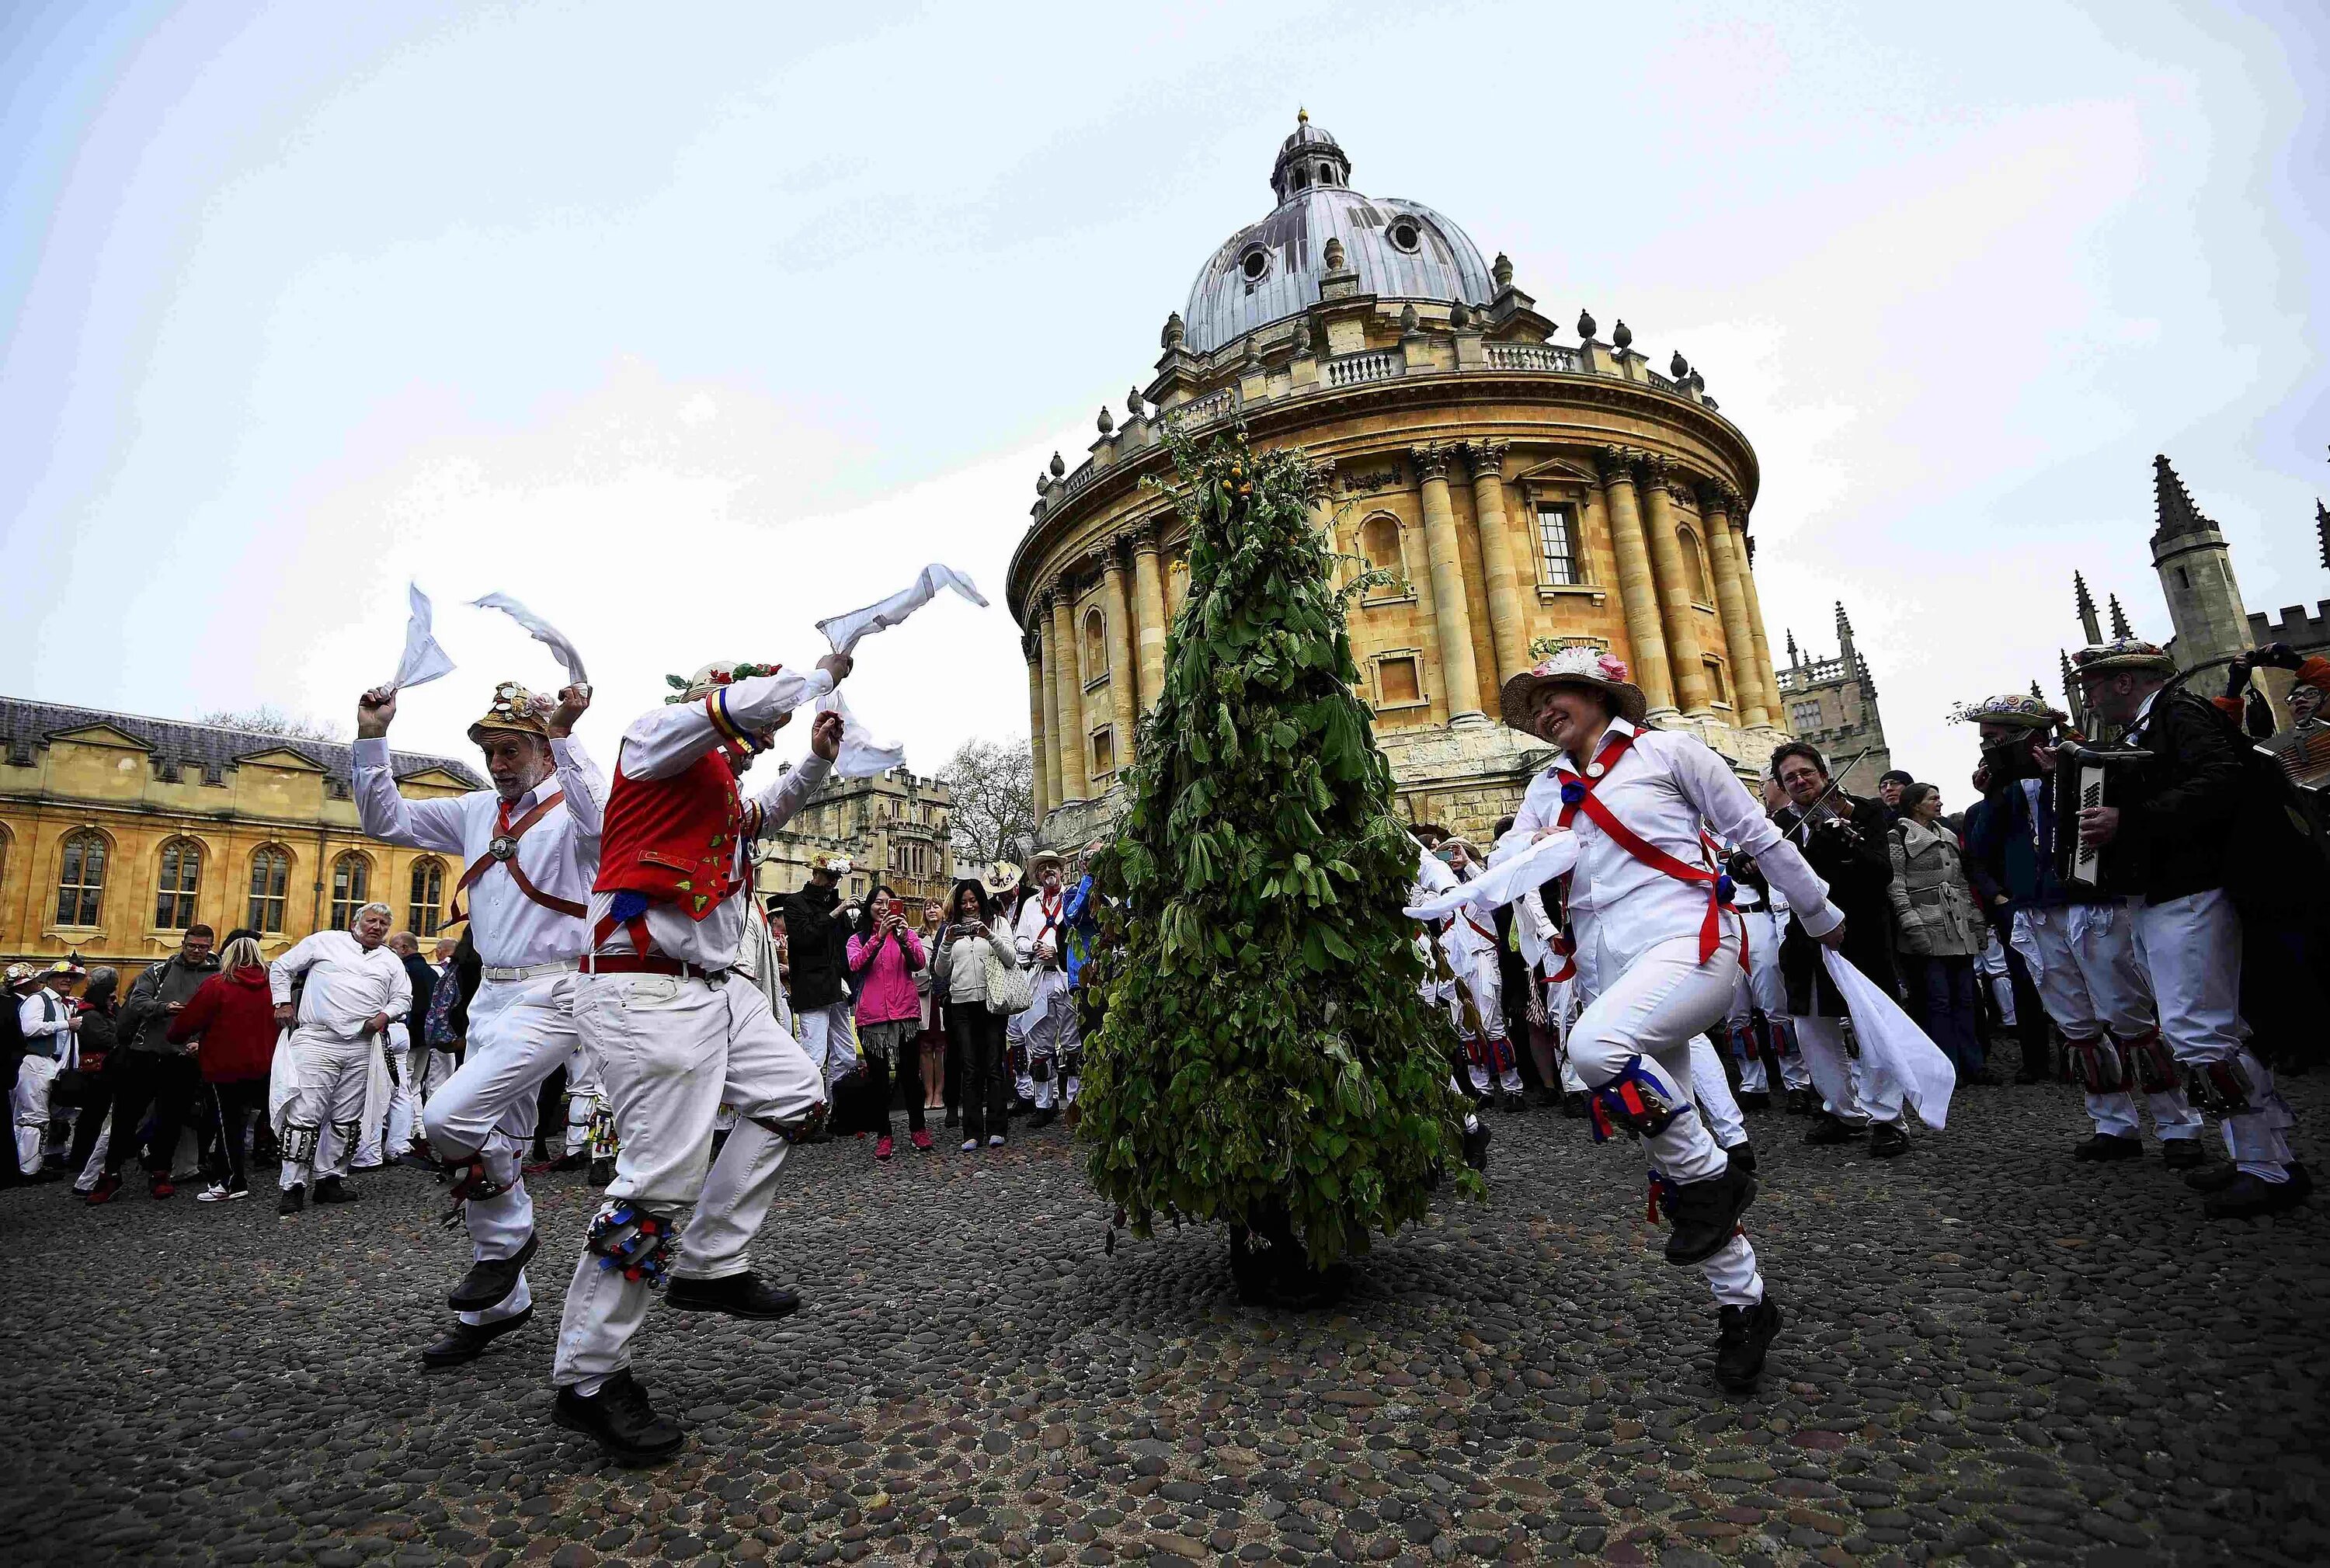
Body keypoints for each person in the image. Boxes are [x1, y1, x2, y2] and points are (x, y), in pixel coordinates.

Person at [1491, 647, 1845, 1393]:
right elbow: (1510, 866)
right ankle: (1744, 1303)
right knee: (1671, 1144)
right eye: (1538, 701)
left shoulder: (1670, 751)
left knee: (1594, 1048)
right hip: (1609, 968)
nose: (1547, 709)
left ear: (1600, 695)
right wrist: (1468, 884)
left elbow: (1758, 833)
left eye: (1559, 694)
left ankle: (1716, 1181)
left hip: (1692, 944)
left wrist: (1817, 911)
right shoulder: (1544, 787)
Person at [551, 655, 847, 1465]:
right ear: (716, 707)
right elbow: (743, 707)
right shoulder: (652, 741)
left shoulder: (718, 795)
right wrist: (817, 674)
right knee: (656, 1183)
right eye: (750, 722)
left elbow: (766, 815)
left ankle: (713, 1261)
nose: (761, 738)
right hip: (645, 988)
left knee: (796, 1094)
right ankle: (588, 1374)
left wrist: (817, 759)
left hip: (715, 989)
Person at [360, 677, 604, 1363]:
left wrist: (565, 733)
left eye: (511, 749)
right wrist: (372, 736)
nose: (498, 763)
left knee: (446, 1119)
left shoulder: (573, 808)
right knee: (496, 1138)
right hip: (491, 996)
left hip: (556, 991)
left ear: (542, 751)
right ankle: (503, 1303)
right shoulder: (474, 810)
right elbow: (386, 822)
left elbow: (604, 828)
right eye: (490, 750)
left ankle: (506, 1244)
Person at [2070, 639, 2307, 1217]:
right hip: (2160, 892)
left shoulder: (2179, 713)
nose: (2089, 696)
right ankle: (2261, 1150)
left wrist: (2131, 820)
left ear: (2125, 681)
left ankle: (2266, 1167)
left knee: (2200, 1028)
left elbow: (2224, 780)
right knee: (2202, 1026)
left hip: (2191, 890)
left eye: (2095, 685)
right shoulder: (2145, 729)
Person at [1961, 693, 2200, 1160]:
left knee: (2127, 1013)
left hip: (2092, 905)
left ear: (2022, 736)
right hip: (2036, 910)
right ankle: (2113, 1124)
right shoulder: (2004, 789)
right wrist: (1992, 792)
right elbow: (1982, 846)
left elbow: (2107, 823)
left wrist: (2058, 777)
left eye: (1993, 738)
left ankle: (2178, 1126)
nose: (1986, 747)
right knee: (2074, 1022)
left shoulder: (2084, 763)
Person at [1770, 742, 1911, 1158]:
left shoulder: (1862, 812)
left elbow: (1881, 871)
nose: (1800, 781)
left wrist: (1846, 840)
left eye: (1806, 773)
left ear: (1824, 773)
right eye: (1790, 777)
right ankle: (1843, 1111)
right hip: (1804, 938)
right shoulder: (1779, 825)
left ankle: (1887, 1118)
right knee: (1813, 1026)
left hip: (1859, 934)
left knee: (1870, 1025)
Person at [270, 904, 410, 1213]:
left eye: (384, 923)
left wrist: (385, 1016)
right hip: (317, 1039)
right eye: (371, 921)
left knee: (347, 1117)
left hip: (362, 1044)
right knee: (305, 1113)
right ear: (356, 922)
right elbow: (281, 967)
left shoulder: (390, 960)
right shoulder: (325, 941)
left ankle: (330, 1178)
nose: (376, 927)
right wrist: (281, 1002)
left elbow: (403, 997)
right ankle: (293, 1185)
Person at [1887, 784, 1990, 1083]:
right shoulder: (1899, 837)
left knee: (1967, 998)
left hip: (1958, 926)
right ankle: (1947, 1067)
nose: (1939, 802)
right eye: (1932, 798)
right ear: (1916, 805)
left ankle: (1973, 1063)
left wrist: (1975, 921)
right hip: (1927, 924)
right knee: (1938, 1000)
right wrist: (1911, 921)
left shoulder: (1947, 836)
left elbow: (1960, 883)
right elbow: (1896, 884)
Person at [168, 936, 279, 1201]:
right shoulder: (274, 986)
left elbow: (187, 1022)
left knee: (228, 1125)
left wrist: (175, 1037)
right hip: (265, 1062)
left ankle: (231, 1181)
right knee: (255, 1120)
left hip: (224, 1065)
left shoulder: (218, 985)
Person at [930, 877, 1021, 1153]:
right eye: (964, 902)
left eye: (973, 901)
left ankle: (997, 1127)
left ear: (982, 900)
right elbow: (941, 970)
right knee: (969, 1068)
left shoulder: (998, 923)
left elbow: (1011, 958)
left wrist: (988, 936)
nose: (969, 907)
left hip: (992, 1001)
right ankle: (971, 1130)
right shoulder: (950, 929)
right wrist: (946, 942)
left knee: (994, 1064)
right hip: (962, 1003)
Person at [845, 885, 928, 1157]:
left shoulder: (907, 934)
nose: (883, 908)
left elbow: (918, 963)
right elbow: (855, 965)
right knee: (879, 1080)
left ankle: (918, 1129)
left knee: (911, 1076)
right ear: (869, 907)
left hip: (905, 1012)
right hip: (873, 1017)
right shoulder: (856, 939)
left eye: (889, 903)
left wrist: (903, 938)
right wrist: (878, 938)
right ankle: (884, 1134)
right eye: (878, 903)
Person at [777, 854, 856, 1092]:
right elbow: (804, 938)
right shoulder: (795, 903)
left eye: (836, 878)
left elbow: (846, 944)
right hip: (812, 989)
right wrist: (836, 913)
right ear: (815, 874)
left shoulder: (835, 903)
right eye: (829, 877)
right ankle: (808, 1111)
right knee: (814, 1055)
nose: (833, 882)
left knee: (846, 1054)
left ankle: (838, 1110)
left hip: (837, 988)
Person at [15, 961, 84, 1179]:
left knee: (53, 1115)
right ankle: (27, 1168)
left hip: (53, 1065)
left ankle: (44, 1159)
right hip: (36, 1062)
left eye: (70, 978)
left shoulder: (63, 1006)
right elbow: (28, 1028)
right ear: (49, 979)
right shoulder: (38, 1000)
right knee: (33, 1117)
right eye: (61, 976)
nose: (67, 980)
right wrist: (66, 1025)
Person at [916, 902, 948, 1114]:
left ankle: (940, 1093)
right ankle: (928, 1093)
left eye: (936, 906)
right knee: (926, 1046)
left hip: (944, 995)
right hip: (925, 995)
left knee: (942, 1047)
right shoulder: (918, 938)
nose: (932, 910)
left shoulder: (949, 933)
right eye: (928, 907)